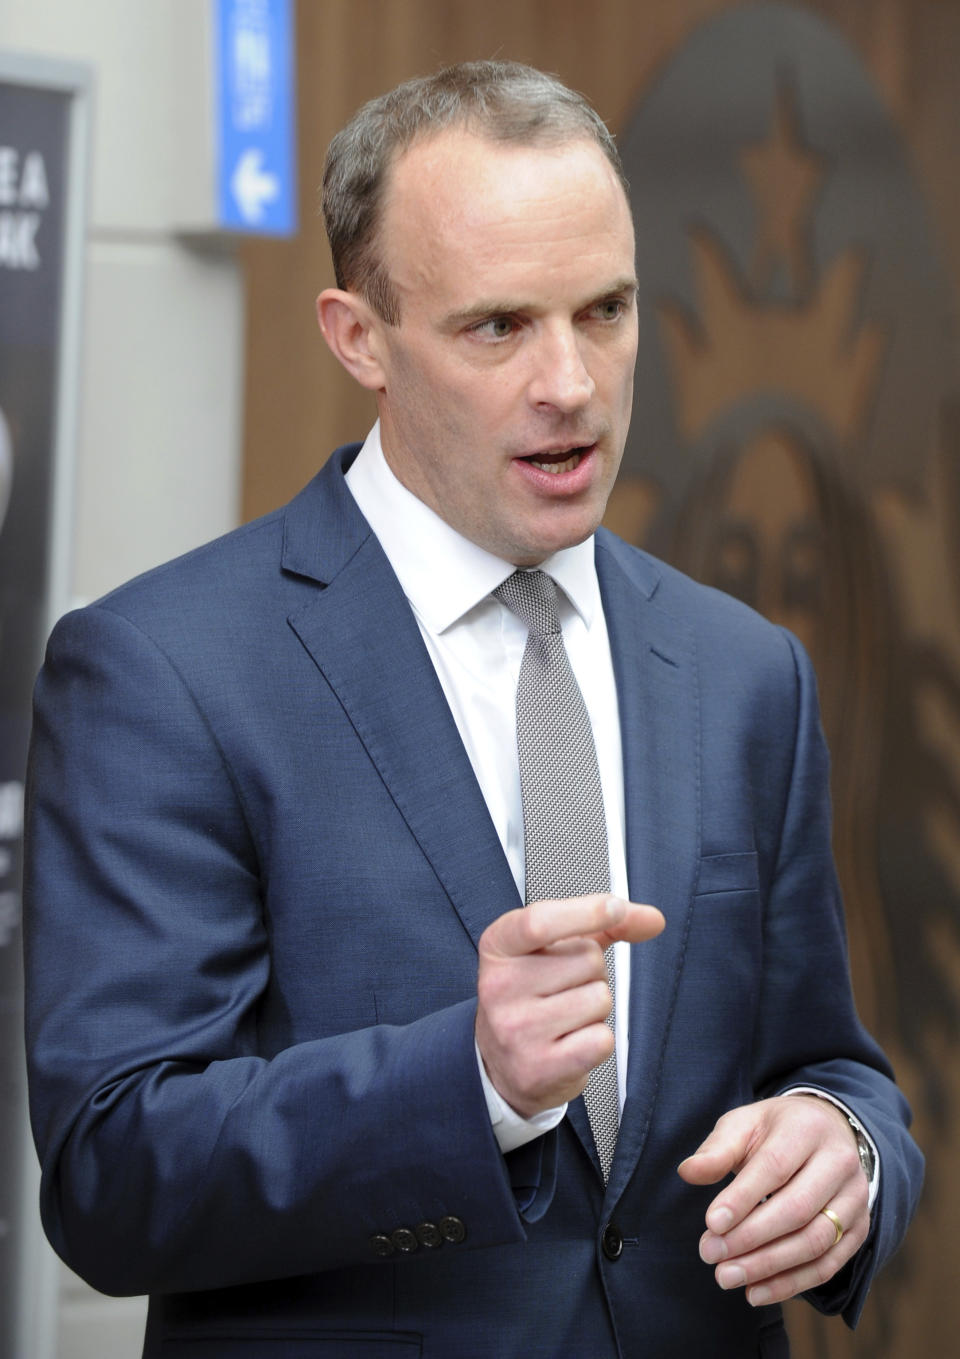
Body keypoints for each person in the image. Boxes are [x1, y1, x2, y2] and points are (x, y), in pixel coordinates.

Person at [23, 61, 922, 1359]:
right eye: (499, 327)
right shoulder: (164, 672)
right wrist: (471, 1088)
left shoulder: (744, 672)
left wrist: (848, 1152)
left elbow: (830, 1065)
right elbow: (112, 1180)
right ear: (358, 339)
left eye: (606, 311)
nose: (573, 382)